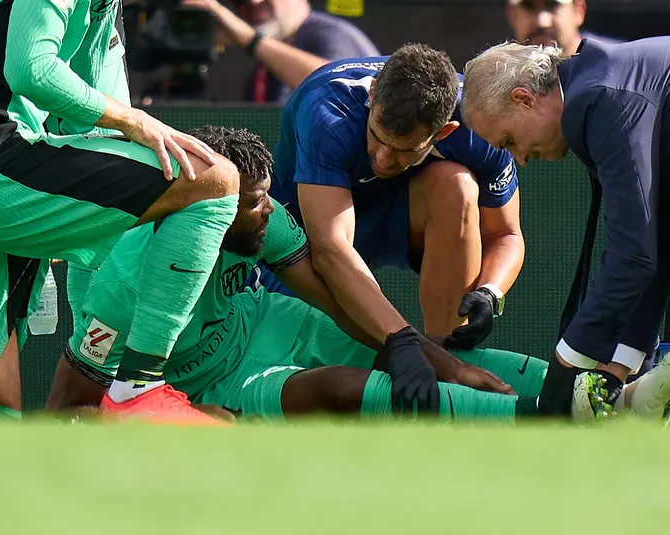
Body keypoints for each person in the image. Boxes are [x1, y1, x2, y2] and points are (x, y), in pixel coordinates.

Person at [47, 125, 558, 423]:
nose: (269, 209)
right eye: (254, 202)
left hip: (267, 322)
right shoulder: (121, 288)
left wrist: (432, 357)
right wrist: (195, 421)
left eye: (266, 194)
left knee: (413, 355)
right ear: (209, 209)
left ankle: (576, 390)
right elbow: (65, 410)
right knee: (340, 387)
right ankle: (537, 419)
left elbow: (335, 301)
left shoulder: (258, 216)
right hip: (215, 385)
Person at [0, 0, 246, 424]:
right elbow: (33, 70)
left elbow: (97, 127)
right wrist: (135, 121)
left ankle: (127, 388)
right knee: (213, 180)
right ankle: (138, 386)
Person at [266, 43, 525, 354]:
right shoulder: (327, 112)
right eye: (377, 136)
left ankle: (448, 355)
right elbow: (331, 251)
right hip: (310, 231)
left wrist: (489, 292)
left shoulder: (479, 129)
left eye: (404, 150)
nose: (384, 160)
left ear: (444, 132)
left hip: (400, 216)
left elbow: (505, 234)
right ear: (372, 93)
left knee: (457, 185)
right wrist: (401, 342)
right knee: (291, 346)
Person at [460, 38, 670, 417]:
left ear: (524, 99)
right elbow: (653, 240)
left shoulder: (603, 99)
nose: (521, 159)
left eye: (509, 141)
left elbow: (635, 254)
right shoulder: (598, 91)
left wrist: (566, 366)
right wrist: (619, 367)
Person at [183, 0, 379, 103]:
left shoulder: (327, 32)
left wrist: (250, 38)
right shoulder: (264, 69)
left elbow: (338, 87)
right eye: (240, 1)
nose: (253, 2)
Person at [505, 0, 622, 56]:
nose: (542, 22)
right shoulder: (499, 75)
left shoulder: (613, 65)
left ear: (578, 11)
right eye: (528, 6)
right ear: (512, 14)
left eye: (552, 5)